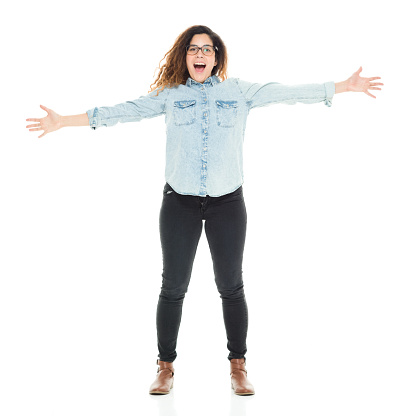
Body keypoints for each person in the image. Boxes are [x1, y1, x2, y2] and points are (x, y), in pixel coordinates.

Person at [26, 25, 383, 396]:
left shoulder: (239, 91)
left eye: (207, 50)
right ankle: (165, 367)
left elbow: (287, 93)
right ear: (185, 56)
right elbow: (124, 112)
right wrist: (63, 121)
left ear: (217, 57)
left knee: (231, 286)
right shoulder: (170, 95)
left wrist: (341, 87)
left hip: (227, 203)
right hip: (178, 202)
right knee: (173, 286)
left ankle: (238, 366)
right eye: (193, 49)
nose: (200, 55)